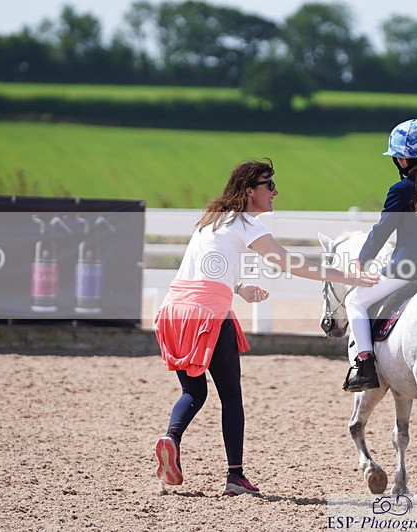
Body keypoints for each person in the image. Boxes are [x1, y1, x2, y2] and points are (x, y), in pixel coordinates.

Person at [153, 158, 377, 495]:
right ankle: (235, 477)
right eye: (268, 186)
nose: (275, 191)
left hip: (173, 312)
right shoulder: (247, 226)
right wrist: (349, 278)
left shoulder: (211, 219)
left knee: (193, 392)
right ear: (248, 191)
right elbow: (292, 264)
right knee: (231, 397)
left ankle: (171, 437)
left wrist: (239, 288)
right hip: (208, 316)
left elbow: (206, 269)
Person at [343, 119, 417, 392]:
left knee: (356, 302)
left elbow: (383, 229)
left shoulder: (400, 190)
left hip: (408, 268)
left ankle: (363, 364)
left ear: (403, 160)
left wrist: (362, 260)